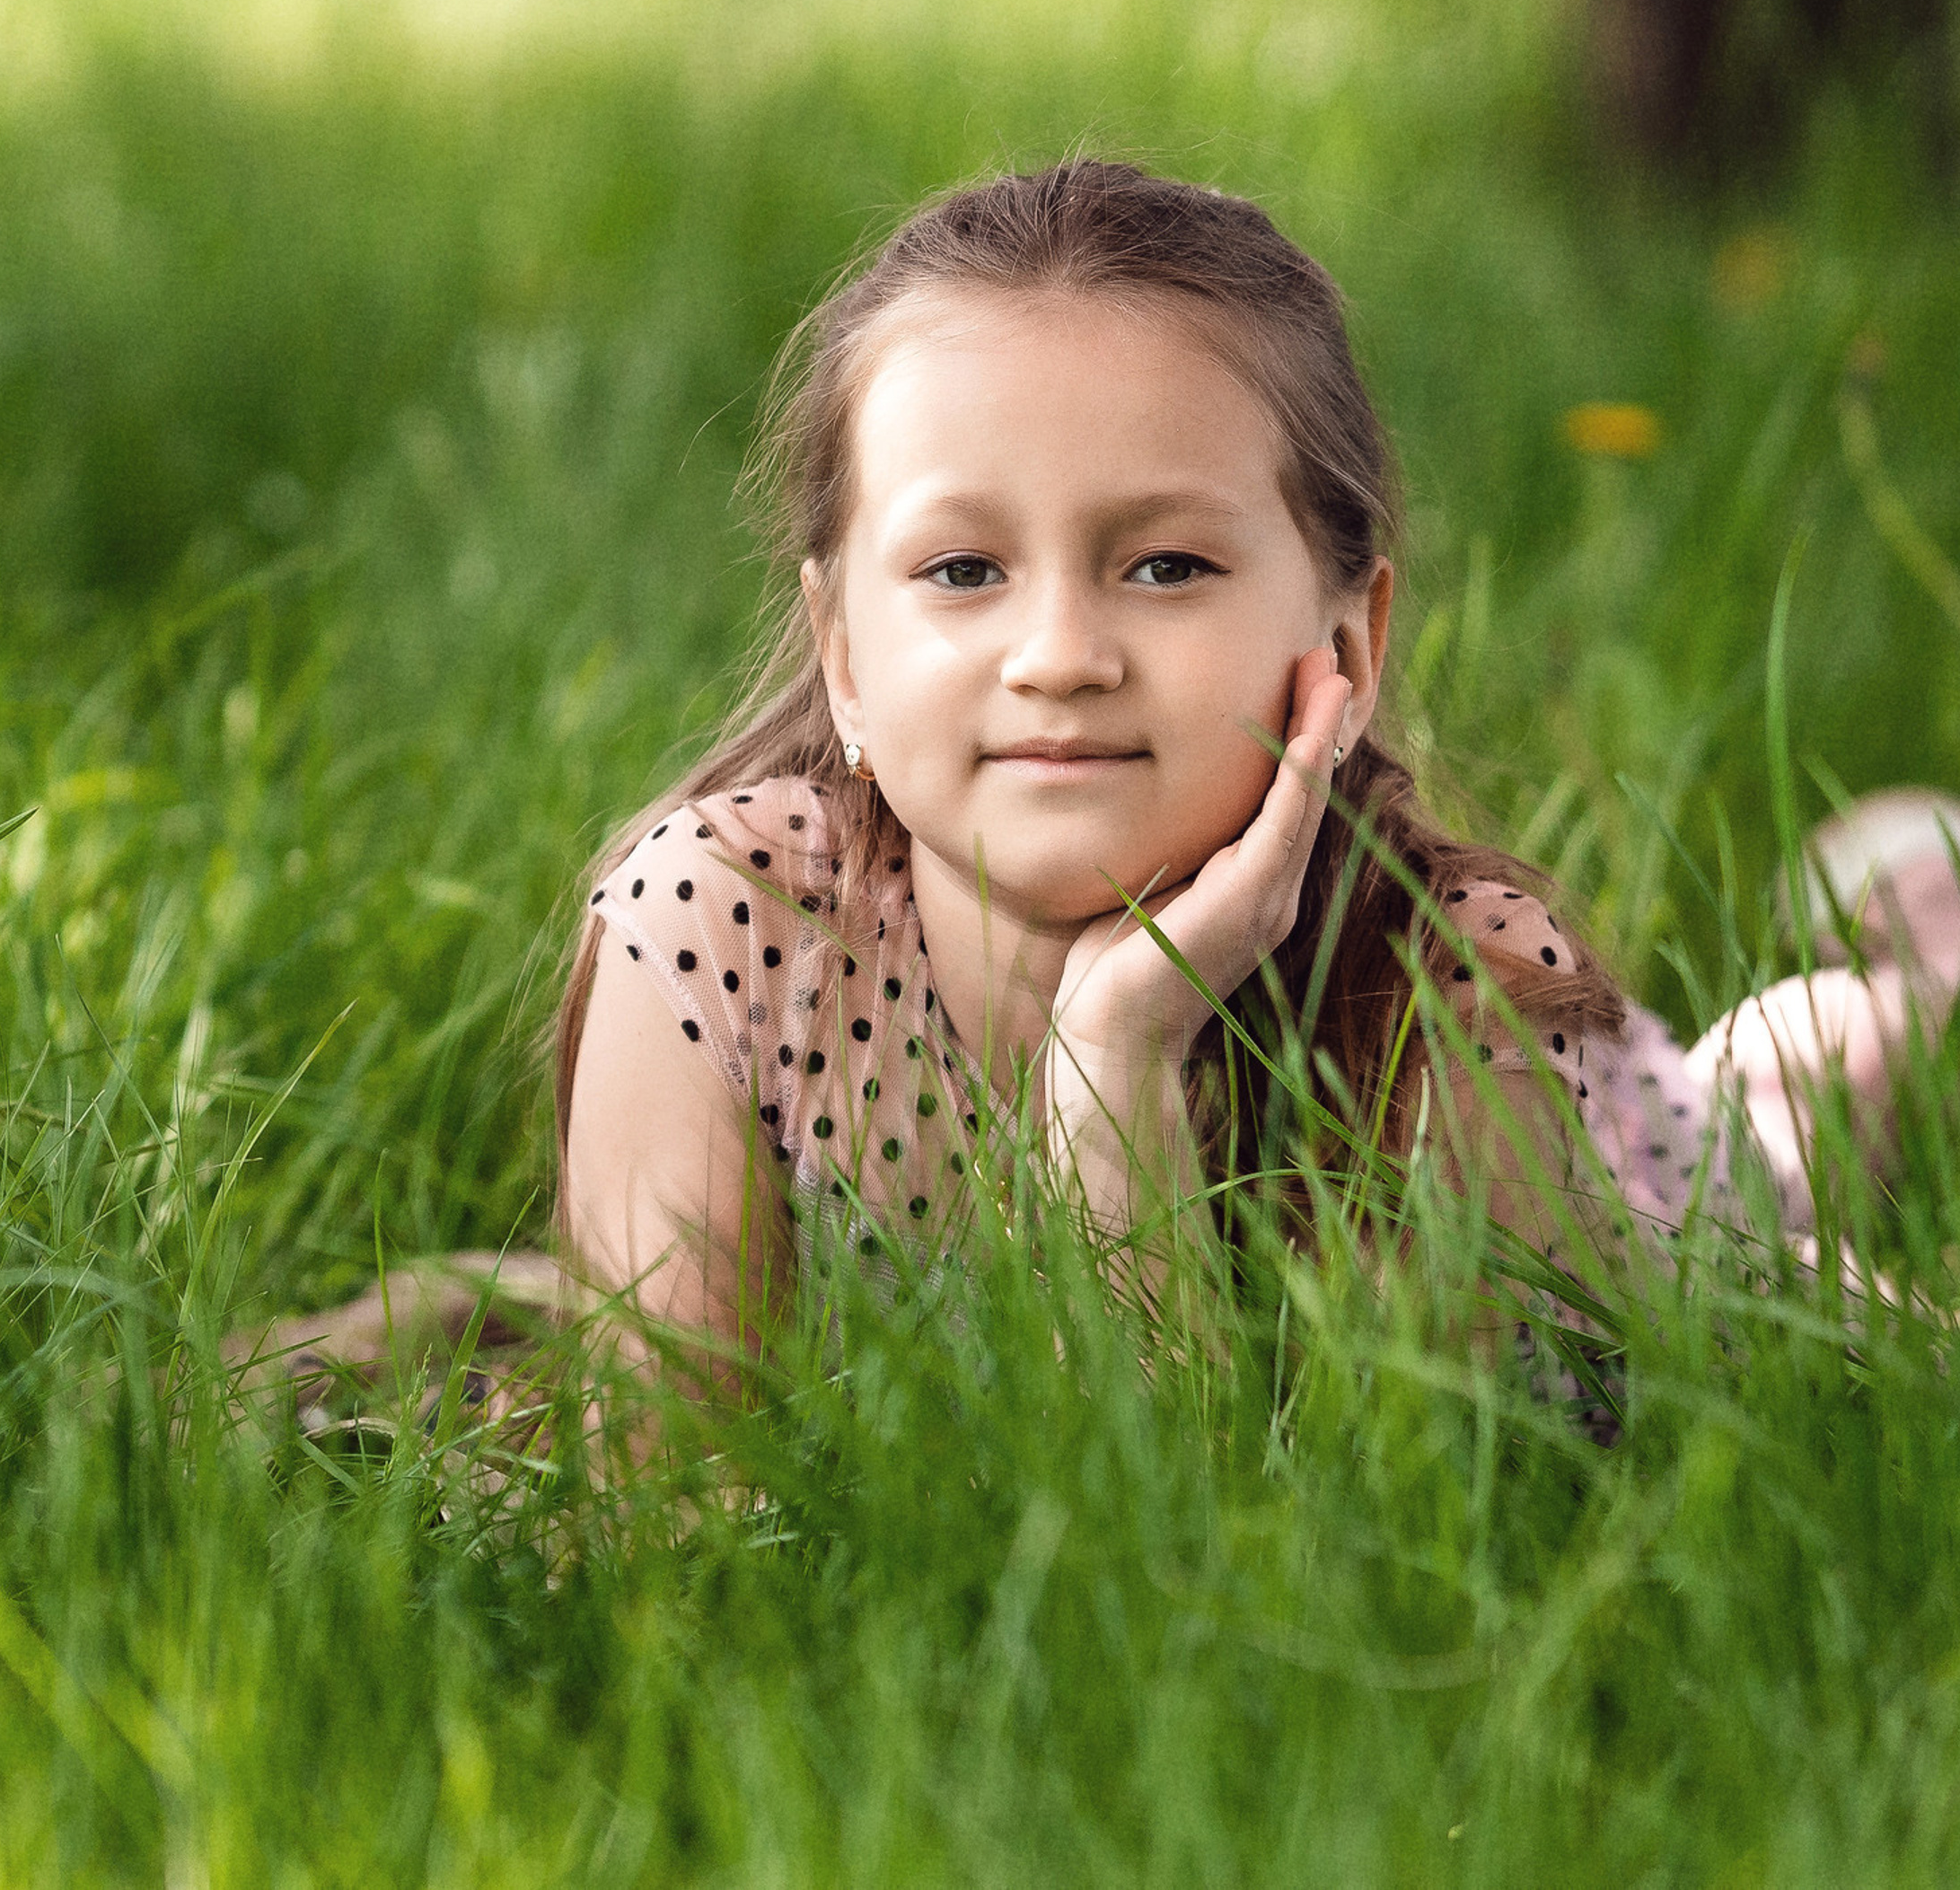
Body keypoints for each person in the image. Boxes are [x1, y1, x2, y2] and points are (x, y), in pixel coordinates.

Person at [239, 162, 1960, 1427]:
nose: (1058, 653)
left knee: (1770, 1128)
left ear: (1347, 636)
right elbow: (669, 1494)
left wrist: (1118, 1068)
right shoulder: (716, 930)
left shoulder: (1433, 987)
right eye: (967, 568)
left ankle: (1906, 957)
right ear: (841, 652)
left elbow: (1221, 1580)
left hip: (1617, 1194)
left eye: (1163, 568)